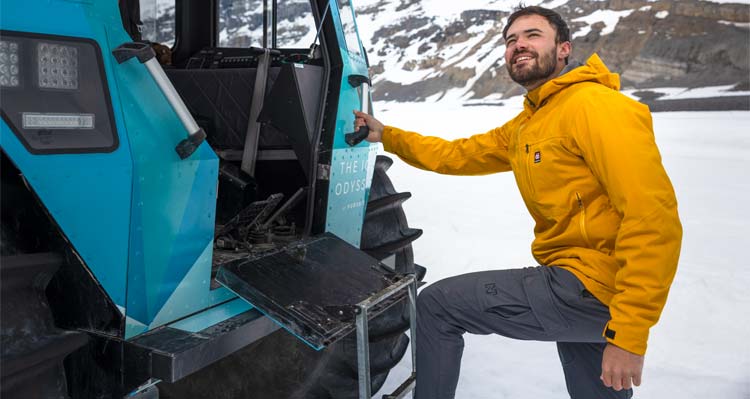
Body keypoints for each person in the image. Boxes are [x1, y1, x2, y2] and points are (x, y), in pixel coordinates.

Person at [353, 5, 682, 399]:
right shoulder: (531, 121)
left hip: (591, 287)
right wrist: (388, 135)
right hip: (583, 282)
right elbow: (458, 154)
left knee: (438, 305)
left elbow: (653, 218)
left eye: (532, 35)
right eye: (511, 40)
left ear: (564, 49)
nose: (518, 45)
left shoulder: (596, 107)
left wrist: (630, 335)